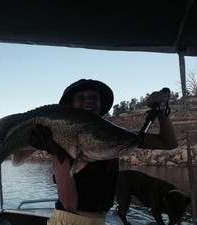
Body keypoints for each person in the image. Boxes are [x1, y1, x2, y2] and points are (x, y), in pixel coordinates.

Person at [29, 79, 178, 225]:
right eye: (80, 97)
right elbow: (69, 205)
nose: (88, 101)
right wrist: (58, 154)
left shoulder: (117, 138)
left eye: (94, 97)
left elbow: (168, 142)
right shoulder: (60, 141)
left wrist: (161, 112)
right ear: (70, 105)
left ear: (101, 104)